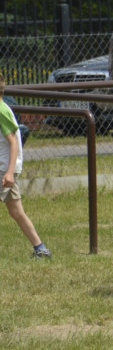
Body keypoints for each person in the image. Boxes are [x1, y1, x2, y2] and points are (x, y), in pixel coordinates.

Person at [0, 74, 51, 259]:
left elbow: (13, 143)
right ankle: (41, 249)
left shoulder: (1, 110)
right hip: (6, 168)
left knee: (16, 210)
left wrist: (10, 172)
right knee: (16, 211)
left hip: (4, 169)